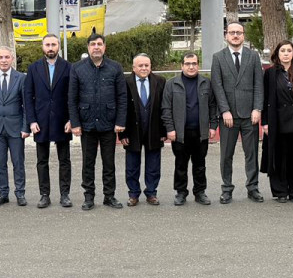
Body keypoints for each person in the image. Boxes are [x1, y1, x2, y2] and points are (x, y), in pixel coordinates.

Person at [68, 33, 127, 210]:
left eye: (99, 44)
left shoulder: (115, 68)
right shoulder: (77, 68)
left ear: (104, 47)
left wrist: (120, 121)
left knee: (109, 163)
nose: (96, 47)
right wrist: (75, 123)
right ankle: (89, 197)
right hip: (87, 124)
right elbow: (72, 98)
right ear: (88, 47)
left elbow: (122, 97)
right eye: (93, 44)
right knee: (88, 163)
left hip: (109, 124)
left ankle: (109, 196)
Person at [211, 21, 264, 204]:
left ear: (243, 35)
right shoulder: (218, 58)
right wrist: (224, 110)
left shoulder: (253, 56)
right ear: (226, 35)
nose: (235, 35)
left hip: (250, 115)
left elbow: (259, 84)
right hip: (228, 117)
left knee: (252, 155)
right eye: (232, 32)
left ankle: (253, 188)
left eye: (239, 32)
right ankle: (226, 189)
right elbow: (217, 86)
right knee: (226, 155)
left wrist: (257, 108)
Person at [259, 41, 293, 202]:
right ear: (277, 54)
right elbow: (266, 99)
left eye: (289, 51)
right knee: (278, 156)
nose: (285, 53)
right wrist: (265, 122)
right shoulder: (270, 73)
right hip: (277, 121)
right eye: (282, 50)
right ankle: (280, 191)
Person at [161, 52, 218, 206]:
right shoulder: (172, 84)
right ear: (182, 65)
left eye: (194, 63)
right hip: (180, 133)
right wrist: (170, 129)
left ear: (198, 65)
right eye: (188, 63)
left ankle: (200, 192)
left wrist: (213, 126)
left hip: (200, 133)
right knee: (181, 164)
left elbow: (212, 106)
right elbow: (166, 108)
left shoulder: (206, 83)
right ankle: (181, 192)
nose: (191, 66)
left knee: (200, 165)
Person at [23, 34, 72, 208]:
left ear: (58, 46)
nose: (50, 48)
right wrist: (32, 120)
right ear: (42, 47)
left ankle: (65, 194)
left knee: (64, 160)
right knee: (42, 160)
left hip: (62, 120)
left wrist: (71, 119)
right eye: (47, 45)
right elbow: (28, 96)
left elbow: (72, 96)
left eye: (53, 44)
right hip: (41, 121)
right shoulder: (34, 68)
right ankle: (44, 194)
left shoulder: (68, 67)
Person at [0, 46, 29, 206]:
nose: (3, 60)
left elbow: (26, 105)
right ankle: (3, 193)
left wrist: (25, 127)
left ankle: (20, 193)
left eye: (6, 57)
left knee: (18, 162)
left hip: (16, 129)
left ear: (12, 59)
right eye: (0, 57)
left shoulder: (21, 78)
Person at [122, 53, 167, 206]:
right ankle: (133, 194)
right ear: (133, 68)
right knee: (132, 165)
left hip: (154, 130)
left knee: (153, 164)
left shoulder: (160, 81)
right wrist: (123, 133)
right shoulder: (125, 82)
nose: (144, 68)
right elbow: (122, 108)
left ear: (150, 66)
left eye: (146, 65)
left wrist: (164, 131)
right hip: (132, 131)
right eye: (140, 65)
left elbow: (164, 107)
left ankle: (151, 193)